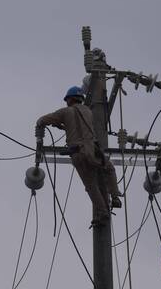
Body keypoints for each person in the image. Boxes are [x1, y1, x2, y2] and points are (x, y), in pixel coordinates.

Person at [36, 86, 123, 226]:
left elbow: (43, 120)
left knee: (91, 185)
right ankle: (115, 196)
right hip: (93, 151)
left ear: (70, 99)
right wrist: (64, 126)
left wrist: (45, 124)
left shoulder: (64, 112)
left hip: (78, 154)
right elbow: (81, 127)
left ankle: (102, 213)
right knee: (109, 168)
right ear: (81, 99)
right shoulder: (88, 111)